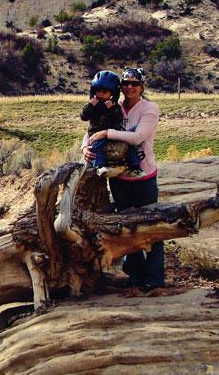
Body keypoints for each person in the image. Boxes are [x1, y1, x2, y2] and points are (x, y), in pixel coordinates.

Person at [81, 67, 163, 290]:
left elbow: (137, 137)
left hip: (143, 176)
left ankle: (155, 277)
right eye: (125, 83)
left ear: (142, 87)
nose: (129, 87)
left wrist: (107, 134)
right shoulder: (112, 106)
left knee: (151, 226)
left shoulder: (149, 109)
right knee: (127, 227)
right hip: (119, 178)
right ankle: (135, 274)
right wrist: (85, 148)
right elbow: (91, 129)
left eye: (135, 83)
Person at [80, 70, 141, 176]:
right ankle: (99, 165)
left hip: (113, 134)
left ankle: (135, 167)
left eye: (104, 92)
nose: (100, 94)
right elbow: (84, 117)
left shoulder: (115, 107)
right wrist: (90, 106)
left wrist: (110, 109)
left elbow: (118, 120)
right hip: (96, 136)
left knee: (130, 146)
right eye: (98, 91)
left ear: (112, 93)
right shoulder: (91, 106)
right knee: (97, 146)